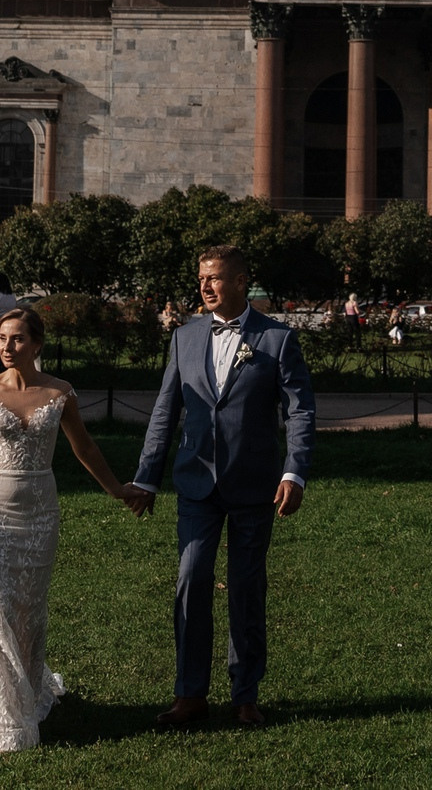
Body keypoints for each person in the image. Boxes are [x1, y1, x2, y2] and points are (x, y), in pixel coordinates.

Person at [0, 305, 149, 751]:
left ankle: (29, 690)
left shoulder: (61, 393)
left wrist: (115, 489)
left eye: (16, 339)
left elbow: (84, 446)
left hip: (40, 513)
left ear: (37, 343)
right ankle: (0, 715)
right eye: (0, 339)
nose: (6, 347)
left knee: (27, 612)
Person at [132, 245, 318, 731]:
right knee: (191, 581)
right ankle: (189, 694)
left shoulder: (276, 340)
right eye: (201, 279)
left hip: (256, 485)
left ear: (240, 281)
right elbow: (164, 411)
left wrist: (294, 472)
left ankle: (245, 695)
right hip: (196, 484)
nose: (205, 286)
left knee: (245, 588)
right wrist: (147, 477)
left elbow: (299, 410)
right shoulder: (184, 337)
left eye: (214, 278)